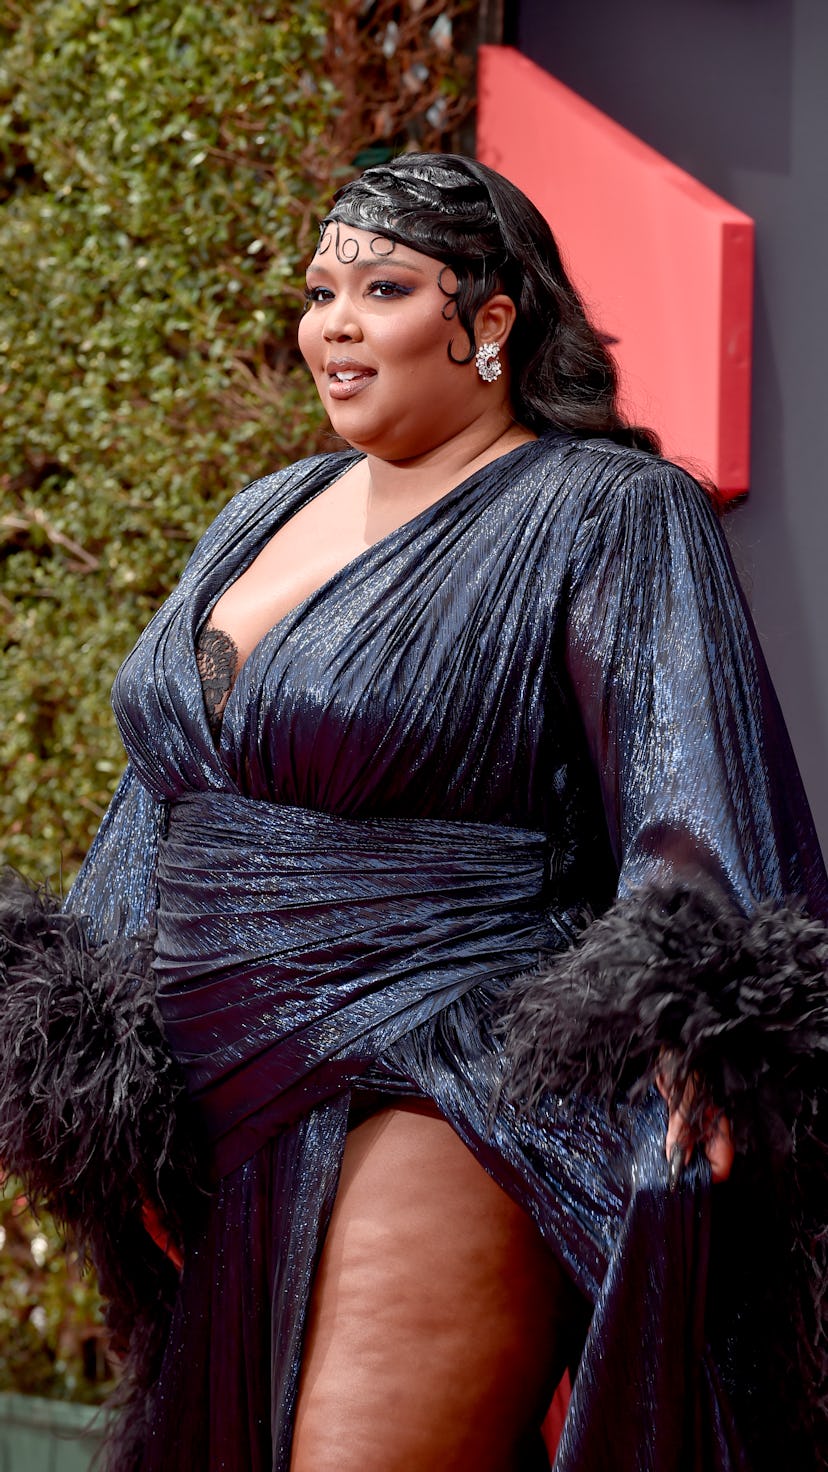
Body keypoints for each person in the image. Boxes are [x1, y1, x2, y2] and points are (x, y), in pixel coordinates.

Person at [1, 152, 827, 1472]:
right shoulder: (260, 512)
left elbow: (690, 777)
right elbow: (164, 790)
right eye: (320, 290)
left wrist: (700, 1034)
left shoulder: (606, 507)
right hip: (217, 1098)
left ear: (489, 320)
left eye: (380, 289)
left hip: (440, 1061)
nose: (332, 324)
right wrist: (95, 1080)